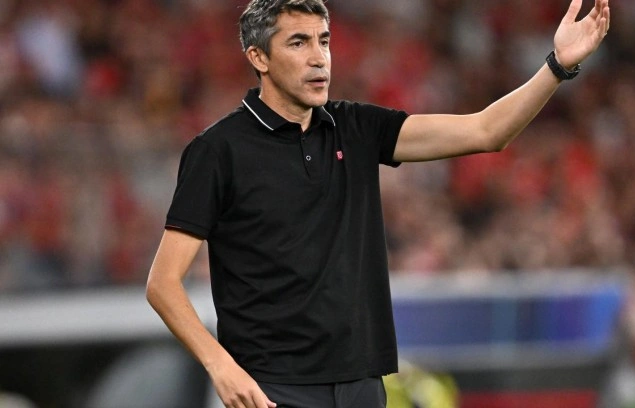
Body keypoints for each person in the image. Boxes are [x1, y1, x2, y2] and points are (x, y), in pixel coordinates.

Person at [145, 0, 610, 407]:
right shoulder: (218, 150)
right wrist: (221, 366)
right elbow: (163, 284)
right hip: (272, 388)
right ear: (258, 57)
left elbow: (487, 131)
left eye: (324, 41)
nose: (318, 57)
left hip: (362, 386)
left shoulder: (356, 128)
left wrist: (556, 67)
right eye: (298, 43)